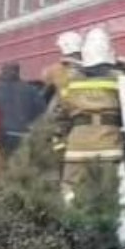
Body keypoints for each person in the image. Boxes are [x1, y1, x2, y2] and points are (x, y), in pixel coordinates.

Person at [58, 27, 125, 208]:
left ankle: (72, 221)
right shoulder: (118, 79)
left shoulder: (71, 81)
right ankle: (106, 224)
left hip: (78, 145)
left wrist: (59, 142)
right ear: (109, 54)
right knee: (108, 190)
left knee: (70, 188)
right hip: (108, 145)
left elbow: (61, 112)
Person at [42, 31, 84, 164]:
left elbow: (45, 81)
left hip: (61, 120)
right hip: (81, 117)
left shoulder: (56, 70)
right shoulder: (88, 68)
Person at [0, 62, 44, 156]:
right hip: (23, 135)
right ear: (18, 72)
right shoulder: (30, 89)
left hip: (0, 136)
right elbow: (41, 111)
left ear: (1, 71)